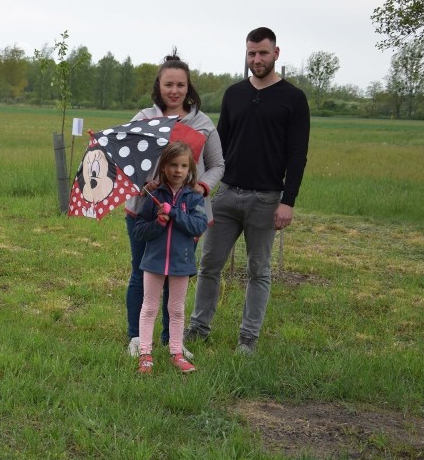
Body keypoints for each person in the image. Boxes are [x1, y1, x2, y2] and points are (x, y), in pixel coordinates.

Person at [185, 27, 310, 355]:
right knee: (208, 265)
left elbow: (298, 155)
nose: (256, 59)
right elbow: (217, 144)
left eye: (263, 53)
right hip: (225, 194)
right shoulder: (234, 94)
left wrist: (288, 201)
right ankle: (198, 329)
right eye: (251, 53)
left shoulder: (293, 99)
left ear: (276, 54)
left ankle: (247, 340)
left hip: (266, 200)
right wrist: (199, 182)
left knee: (259, 271)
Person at [125, 53, 225, 358]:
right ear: (159, 85)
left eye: (180, 84)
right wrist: (145, 182)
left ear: (188, 87)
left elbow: (217, 164)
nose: (174, 90)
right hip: (146, 209)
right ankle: (136, 338)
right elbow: (126, 161)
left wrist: (201, 186)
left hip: (186, 214)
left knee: (176, 274)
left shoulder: (203, 123)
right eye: (168, 84)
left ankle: (173, 340)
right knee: (141, 271)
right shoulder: (143, 119)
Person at [133, 141, 208, 374]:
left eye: (183, 166)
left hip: (181, 263)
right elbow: (139, 230)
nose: (178, 170)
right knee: (149, 308)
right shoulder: (152, 196)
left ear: (190, 169)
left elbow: (198, 226)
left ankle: (176, 351)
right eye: (173, 165)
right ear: (163, 167)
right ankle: (145, 353)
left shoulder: (194, 199)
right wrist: (157, 223)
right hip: (153, 262)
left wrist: (173, 212)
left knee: (176, 309)